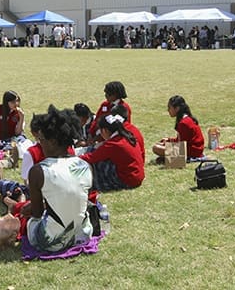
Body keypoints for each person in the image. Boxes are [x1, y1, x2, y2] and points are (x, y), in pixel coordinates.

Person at [22, 105, 93, 252]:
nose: (40, 144)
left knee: (30, 222)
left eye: (41, 139)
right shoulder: (85, 165)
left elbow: (37, 213)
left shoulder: (39, 171)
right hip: (84, 234)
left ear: (53, 141)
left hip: (51, 242)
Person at [80, 114, 144, 191]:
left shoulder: (113, 144)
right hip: (136, 176)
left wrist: (74, 157)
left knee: (97, 165)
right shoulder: (126, 137)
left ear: (105, 130)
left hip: (128, 180)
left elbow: (91, 158)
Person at [152, 95, 205, 161]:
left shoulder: (184, 123)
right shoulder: (186, 119)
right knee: (160, 145)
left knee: (155, 148)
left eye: (169, 108)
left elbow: (181, 145)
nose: (168, 110)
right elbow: (182, 140)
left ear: (177, 108)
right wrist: (168, 140)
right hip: (195, 150)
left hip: (192, 152)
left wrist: (168, 145)